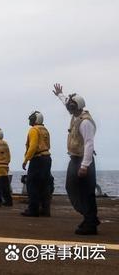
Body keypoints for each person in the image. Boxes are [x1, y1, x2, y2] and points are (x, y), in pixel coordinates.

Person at [53, 83, 100, 235]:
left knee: (85, 192)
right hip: (75, 159)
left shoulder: (85, 122)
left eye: (72, 105)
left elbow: (88, 144)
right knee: (72, 188)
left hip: (82, 161)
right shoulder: (76, 115)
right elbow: (66, 101)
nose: (69, 107)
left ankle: (90, 222)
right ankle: (89, 217)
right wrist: (60, 94)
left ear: (78, 106)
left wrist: (85, 166)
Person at [21, 111, 52, 217]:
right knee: (44, 185)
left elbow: (33, 146)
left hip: (37, 159)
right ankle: (45, 209)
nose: (30, 120)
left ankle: (33, 210)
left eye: (32, 118)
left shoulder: (34, 130)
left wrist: (26, 160)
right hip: (47, 158)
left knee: (32, 184)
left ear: (35, 119)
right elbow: (48, 144)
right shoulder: (45, 130)